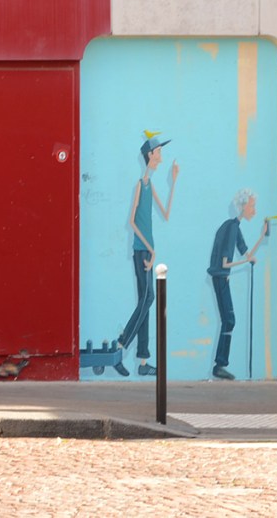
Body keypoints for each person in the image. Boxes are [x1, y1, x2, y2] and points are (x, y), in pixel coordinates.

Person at [114, 134, 179, 377]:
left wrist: (173, 183)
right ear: (150, 155)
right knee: (147, 299)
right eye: (159, 153)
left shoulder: (151, 186)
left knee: (145, 302)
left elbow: (166, 214)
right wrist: (150, 250)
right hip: (142, 251)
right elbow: (131, 221)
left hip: (147, 250)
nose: (161, 158)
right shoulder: (140, 185)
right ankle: (121, 345)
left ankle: (142, 362)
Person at [207, 189, 268, 380]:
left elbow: (247, 254)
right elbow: (225, 263)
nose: (254, 210)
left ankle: (220, 364)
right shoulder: (231, 228)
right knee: (229, 320)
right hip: (220, 276)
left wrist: (262, 236)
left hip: (222, 277)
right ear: (242, 206)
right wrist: (245, 263)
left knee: (228, 319)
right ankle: (220, 365)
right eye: (252, 206)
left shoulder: (235, 227)